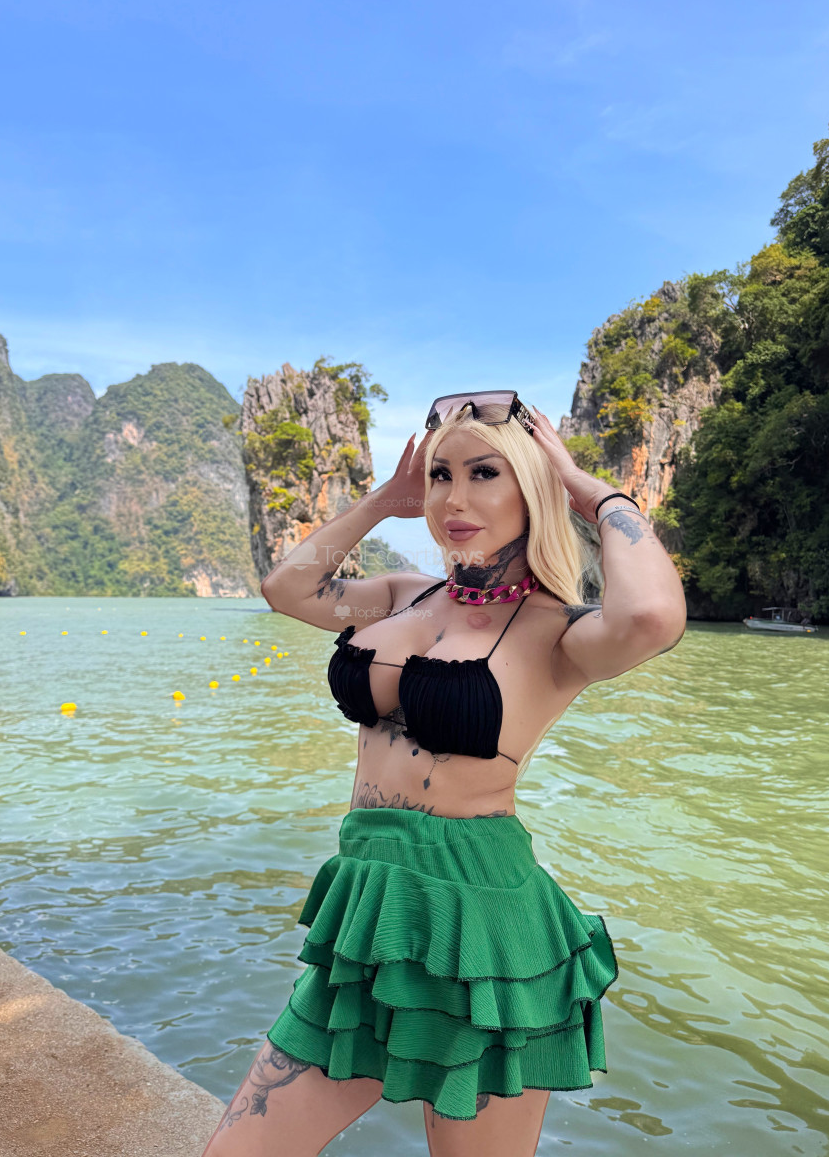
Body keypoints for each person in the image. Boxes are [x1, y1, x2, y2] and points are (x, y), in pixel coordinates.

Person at [201, 391, 687, 1157]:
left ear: (532, 490)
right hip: (370, 906)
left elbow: (652, 617)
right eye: (441, 476)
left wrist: (590, 491)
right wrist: (384, 501)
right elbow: (286, 588)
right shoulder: (401, 596)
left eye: (484, 474)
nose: (454, 499)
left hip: (482, 927)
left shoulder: (554, 633)